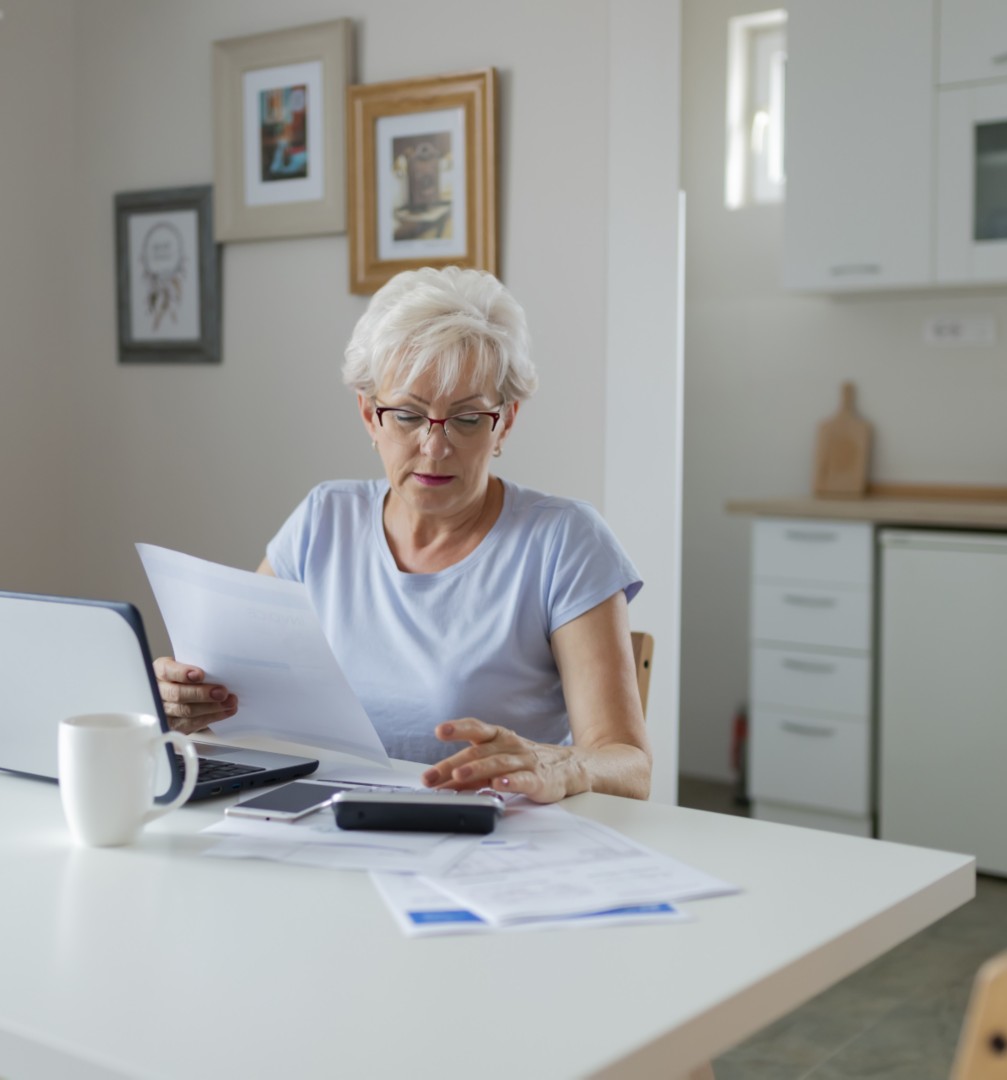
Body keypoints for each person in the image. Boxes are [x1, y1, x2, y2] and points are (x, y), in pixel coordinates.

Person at [153, 267, 650, 803]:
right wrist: (185, 698)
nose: (435, 448)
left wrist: (564, 765)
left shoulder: (565, 541)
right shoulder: (323, 520)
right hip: (330, 825)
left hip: (491, 842)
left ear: (504, 422)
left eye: (466, 419)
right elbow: (233, 690)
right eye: (409, 415)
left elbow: (629, 764)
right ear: (370, 415)